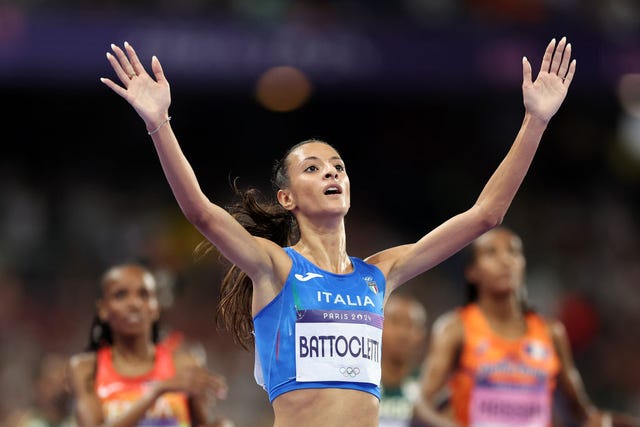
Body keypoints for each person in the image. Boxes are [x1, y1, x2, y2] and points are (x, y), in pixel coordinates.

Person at [100, 36, 575, 427]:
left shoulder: (379, 274)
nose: (331, 173)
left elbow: (485, 215)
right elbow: (202, 213)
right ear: (287, 198)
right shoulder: (274, 267)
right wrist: (159, 123)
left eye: (338, 167)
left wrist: (535, 121)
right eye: (313, 168)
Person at [412, 227, 640, 427]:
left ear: (523, 263)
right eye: (492, 253)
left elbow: (581, 414)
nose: (505, 260)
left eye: (514, 252)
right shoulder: (455, 328)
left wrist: (616, 422)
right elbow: (420, 407)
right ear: (472, 272)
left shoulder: (551, 333)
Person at [68, 263, 231, 427]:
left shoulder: (183, 364)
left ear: (156, 308)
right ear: (103, 309)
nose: (134, 304)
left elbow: (203, 424)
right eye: (120, 295)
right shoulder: (86, 368)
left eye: (144, 295)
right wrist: (156, 391)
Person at [379, 294, 428, 427]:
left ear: (422, 335)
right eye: (395, 322)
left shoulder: (428, 386)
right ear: (378, 327)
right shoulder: (360, 383)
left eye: (411, 325)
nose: (402, 333)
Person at [6, 353, 75, 427]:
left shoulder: (78, 421)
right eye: (51, 383)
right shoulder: (25, 423)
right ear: (38, 386)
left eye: (63, 382)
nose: (59, 389)